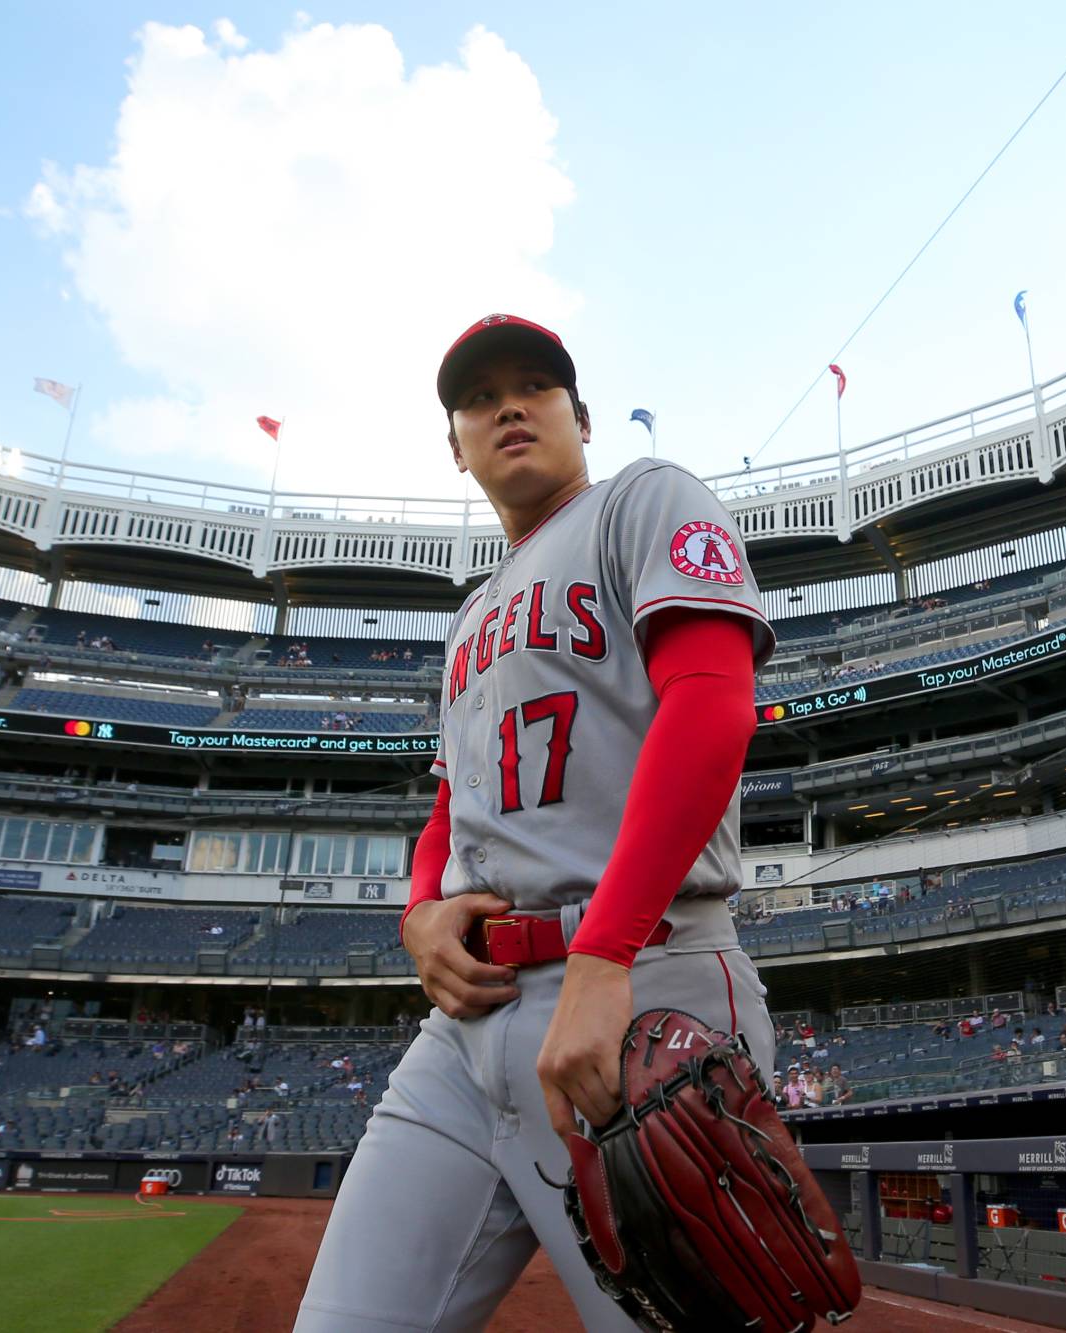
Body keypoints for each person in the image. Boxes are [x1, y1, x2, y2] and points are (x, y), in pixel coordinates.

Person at [299, 314, 776, 1330]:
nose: (508, 404)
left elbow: (711, 702)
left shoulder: (644, 501)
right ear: (456, 443)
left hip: (644, 985)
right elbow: (448, 803)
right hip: (465, 1028)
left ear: (578, 415)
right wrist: (418, 911)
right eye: (478, 397)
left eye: (534, 385)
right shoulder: (469, 615)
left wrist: (605, 953)